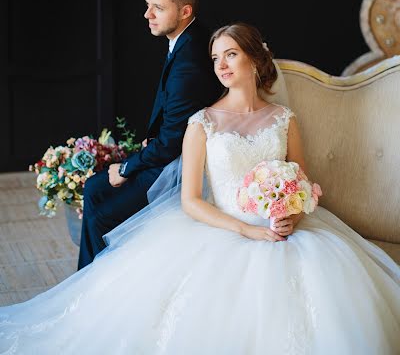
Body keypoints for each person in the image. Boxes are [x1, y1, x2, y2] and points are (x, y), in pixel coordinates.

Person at [0, 23, 399, 354]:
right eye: (215, 58)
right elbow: (190, 201)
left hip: (284, 231)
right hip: (221, 228)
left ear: (255, 60)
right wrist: (247, 230)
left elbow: (302, 181)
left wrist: (291, 212)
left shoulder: (284, 119)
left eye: (230, 54)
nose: (221, 65)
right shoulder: (202, 123)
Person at [77, 0, 220, 269]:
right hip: (169, 149)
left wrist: (127, 167)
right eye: (147, 5)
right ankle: (91, 276)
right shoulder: (189, 37)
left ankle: (94, 283)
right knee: (93, 189)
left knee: (101, 215)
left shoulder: (189, 64)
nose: (147, 14)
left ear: (185, 11)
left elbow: (170, 144)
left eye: (157, 7)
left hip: (182, 165)